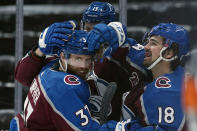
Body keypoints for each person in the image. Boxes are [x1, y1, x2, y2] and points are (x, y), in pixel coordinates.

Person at [14, 1, 148, 122]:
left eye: (97, 30)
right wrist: (40, 50)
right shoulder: (70, 45)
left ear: (110, 27)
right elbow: (22, 77)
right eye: (88, 28)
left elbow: (154, 65)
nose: (91, 36)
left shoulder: (122, 50)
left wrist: (120, 39)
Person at [87, 23, 189, 130]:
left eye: (153, 43)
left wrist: (120, 128)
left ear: (169, 53)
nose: (145, 47)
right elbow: (128, 47)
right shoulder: (170, 75)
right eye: (148, 42)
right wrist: (115, 30)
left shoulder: (167, 91)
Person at [10, 29, 102, 130]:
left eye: (88, 59)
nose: (84, 66)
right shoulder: (63, 87)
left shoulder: (52, 63)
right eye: (78, 58)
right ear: (63, 56)